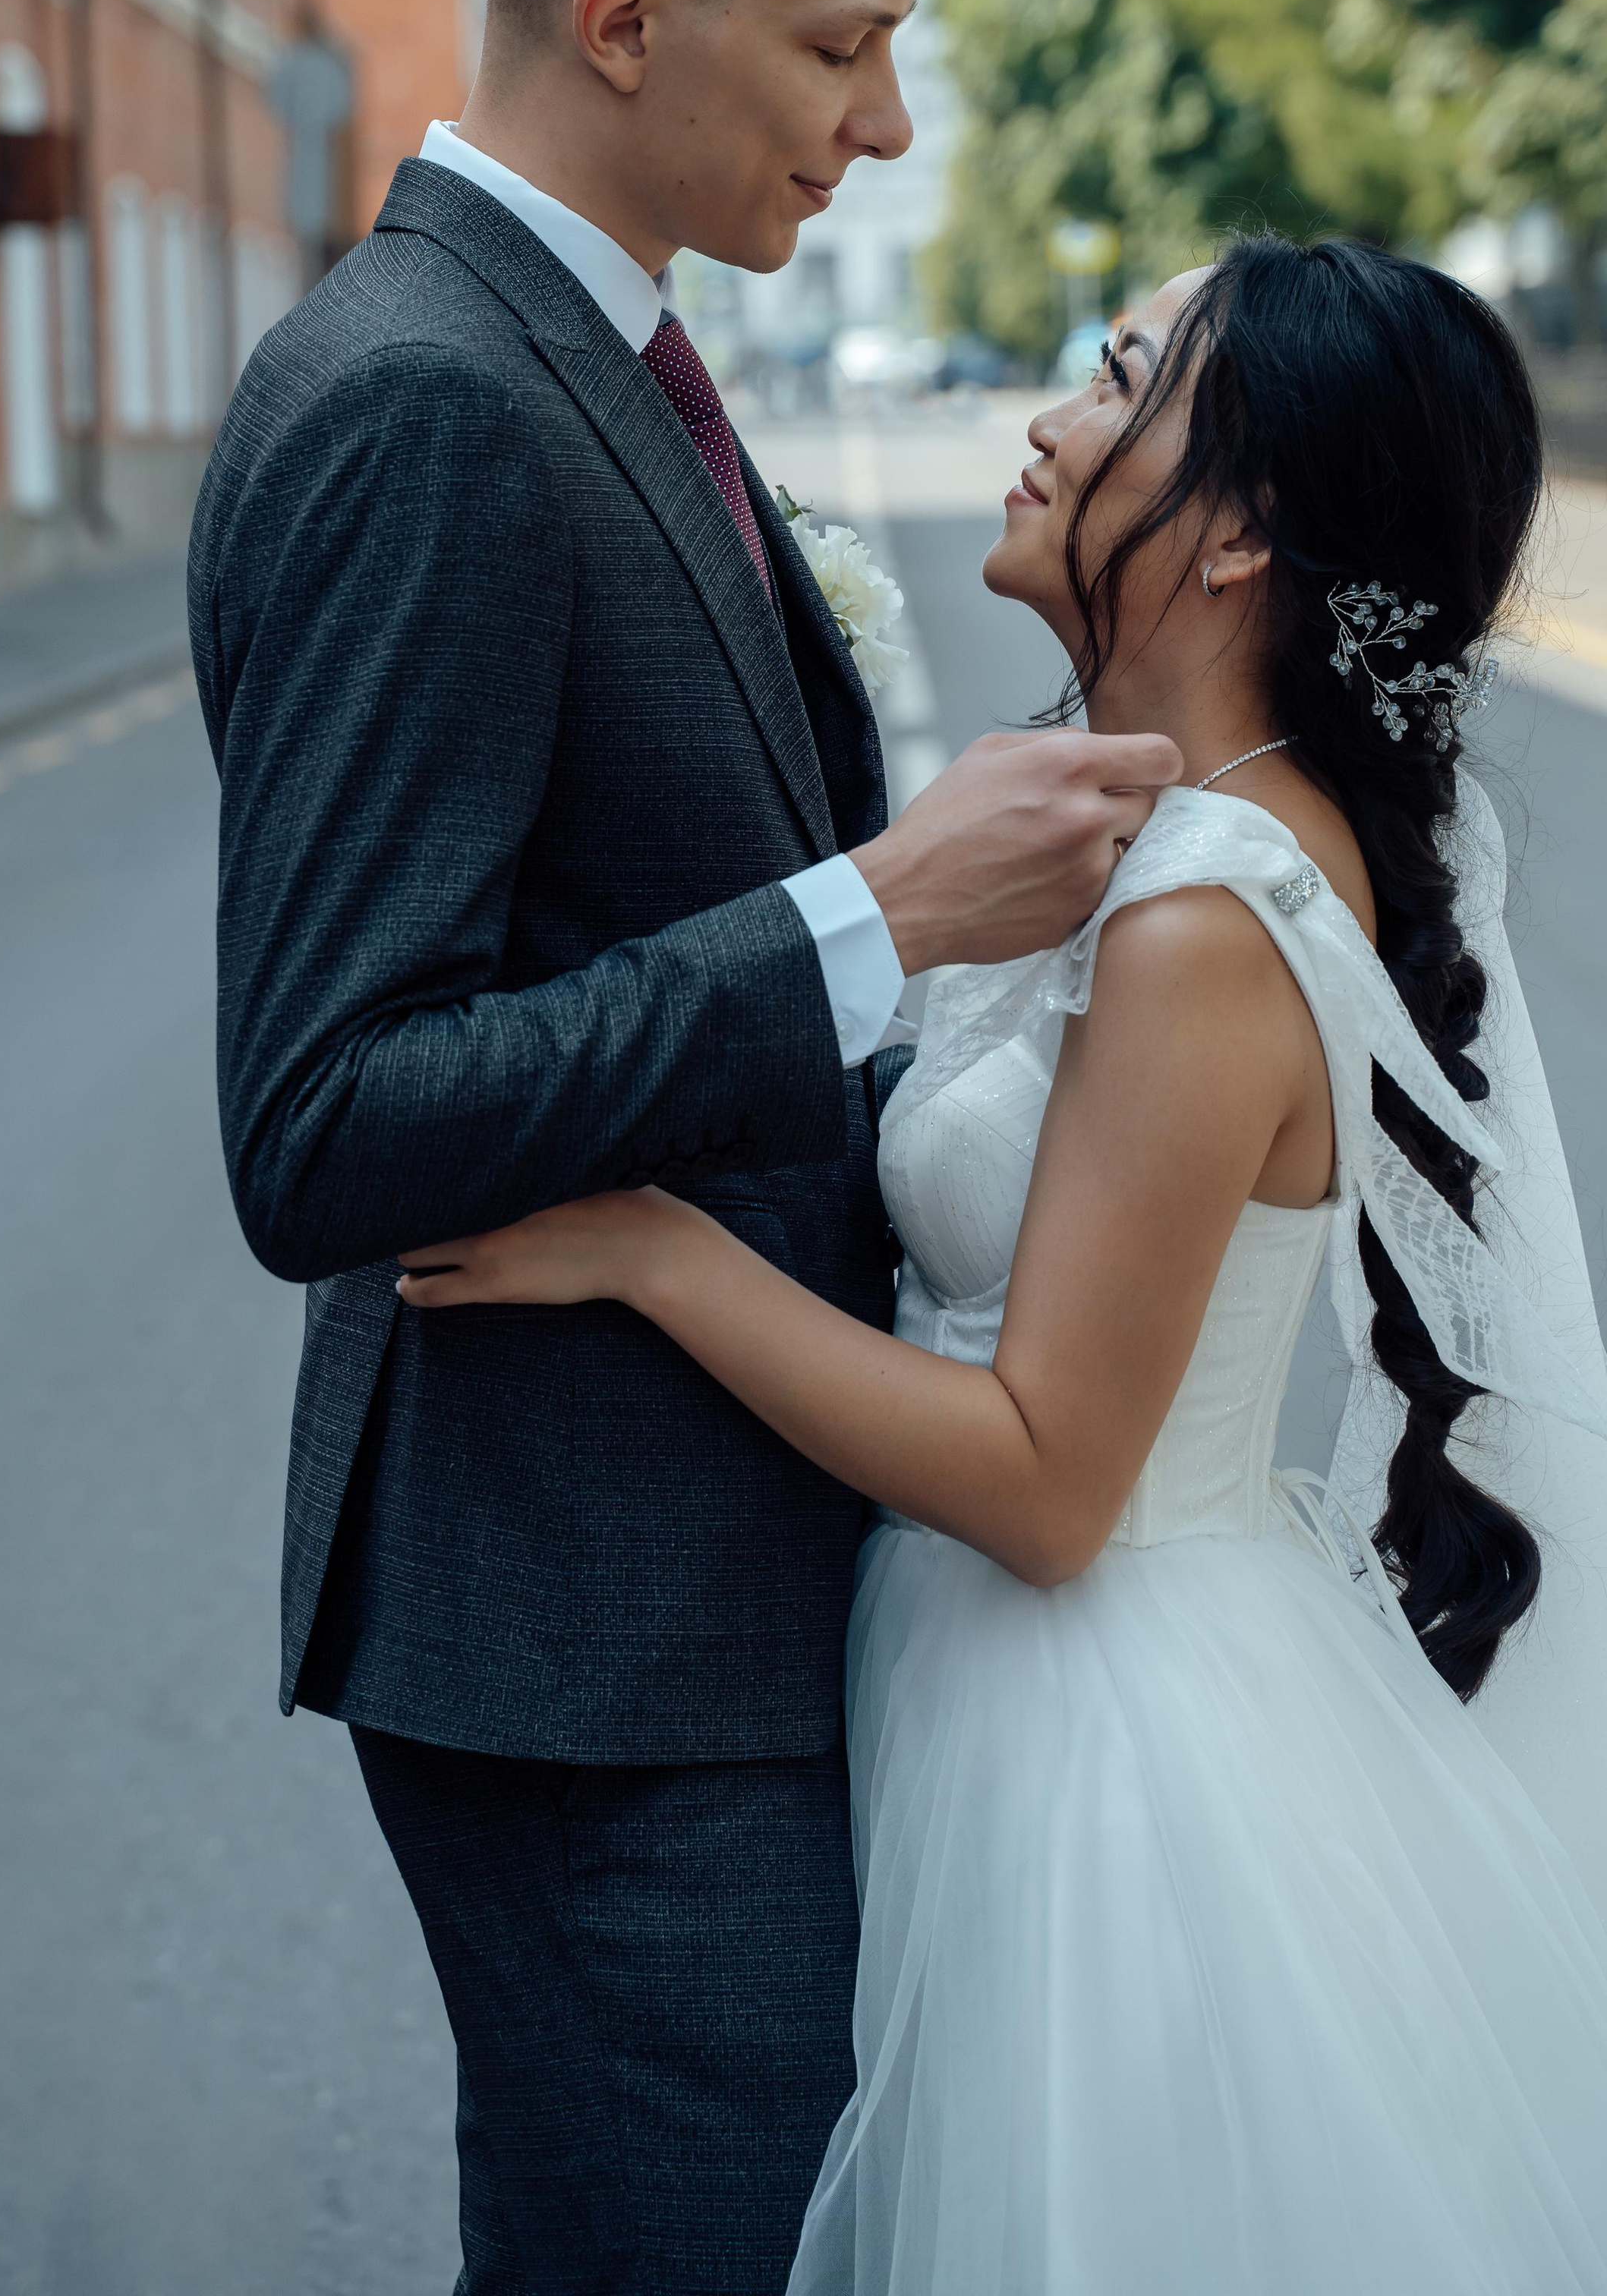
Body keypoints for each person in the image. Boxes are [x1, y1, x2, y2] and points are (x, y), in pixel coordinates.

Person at [188, 0, 1179, 2291]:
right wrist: (884, 911)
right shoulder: (426, 403)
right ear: (626, 18)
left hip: (697, 1597)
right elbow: (326, 1117)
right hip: (592, 1643)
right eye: (844, 46)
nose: (890, 123)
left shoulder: (591, 351)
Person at [402, 238, 1607, 2294]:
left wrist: (654, 1253)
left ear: (1241, 535)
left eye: (1122, 377)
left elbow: (1052, 1481)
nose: (1051, 420)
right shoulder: (1131, 831)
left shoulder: (1207, 912)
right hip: (994, 1668)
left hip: (1103, 1743)